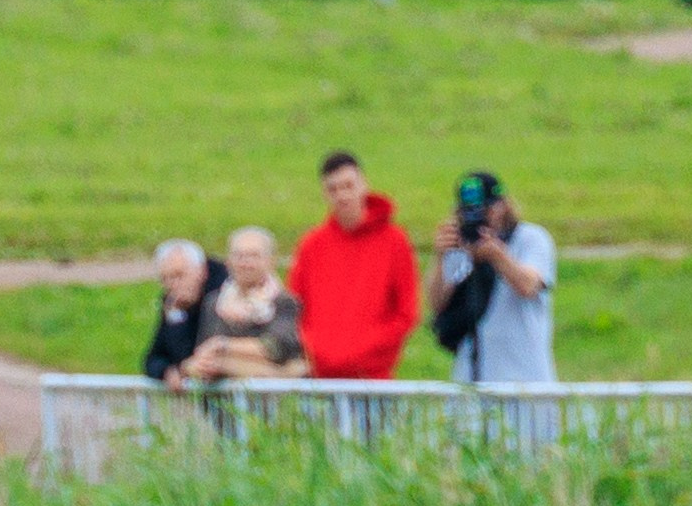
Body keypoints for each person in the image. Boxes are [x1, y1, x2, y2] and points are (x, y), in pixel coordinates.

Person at [287, 150, 420, 380]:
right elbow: (293, 307)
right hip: (317, 378)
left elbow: (405, 312)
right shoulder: (311, 245)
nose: (342, 195)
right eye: (333, 189)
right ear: (325, 194)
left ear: (363, 185)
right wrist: (314, 351)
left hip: (373, 379)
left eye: (348, 186)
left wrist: (367, 353)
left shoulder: (395, 241)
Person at [428, 167, 557, 386]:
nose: (479, 218)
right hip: (471, 376)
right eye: (468, 211)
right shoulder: (460, 244)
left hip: (526, 379)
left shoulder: (531, 238)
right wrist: (440, 257)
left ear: (503, 205)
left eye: (486, 210)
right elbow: (436, 302)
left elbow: (528, 286)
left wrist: (497, 256)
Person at [177, 227, 305, 380]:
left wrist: (223, 347)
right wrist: (198, 366)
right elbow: (204, 349)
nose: (245, 263)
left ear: (271, 261)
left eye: (254, 256)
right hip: (222, 398)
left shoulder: (284, 301)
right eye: (239, 256)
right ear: (228, 261)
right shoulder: (214, 302)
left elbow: (278, 348)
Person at [143, 238, 227, 385]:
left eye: (179, 275)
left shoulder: (223, 295)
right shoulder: (173, 302)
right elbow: (153, 358)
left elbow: (202, 351)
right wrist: (168, 372)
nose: (172, 285)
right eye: (165, 279)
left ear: (202, 271)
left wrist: (184, 368)